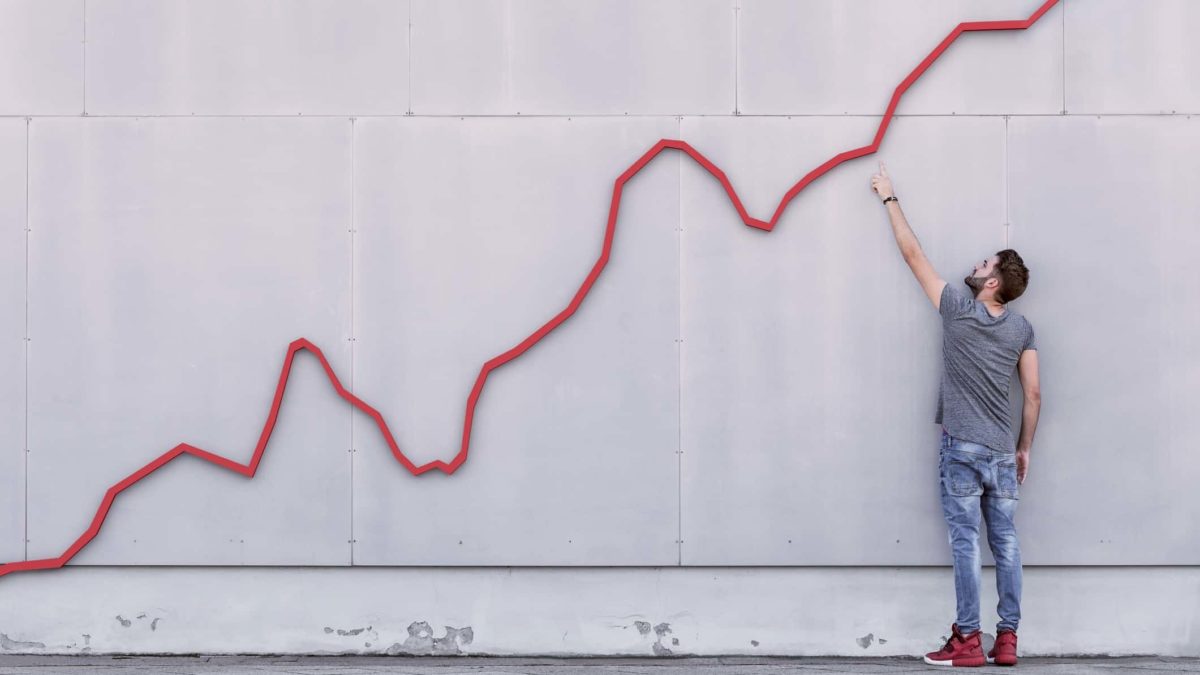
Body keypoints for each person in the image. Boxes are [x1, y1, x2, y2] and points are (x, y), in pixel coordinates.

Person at [870, 162, 1041, 667]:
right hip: (1001, 453)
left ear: (991, 283)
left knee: (966, 543)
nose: (975, 264)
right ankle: (1006, 640)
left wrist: (888, 197)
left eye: (983, 263)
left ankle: (968, 641)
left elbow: (912, 254)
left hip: (962, 449)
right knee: (1006, 543)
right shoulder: (1022, 329)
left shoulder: (958, 310)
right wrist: (1023, 447)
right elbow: (1032, 396)